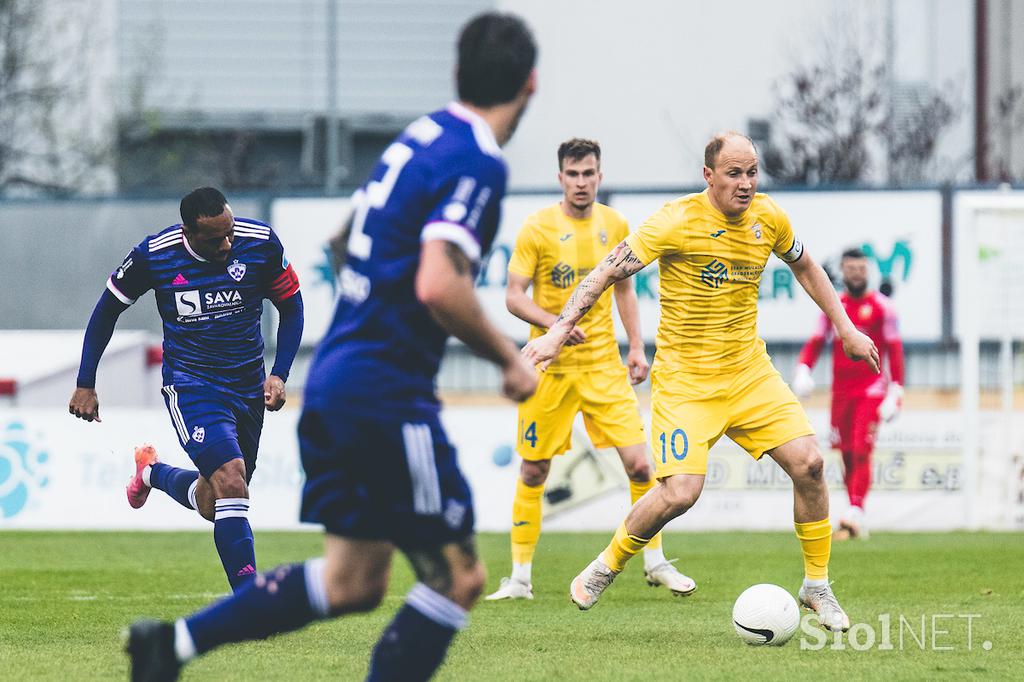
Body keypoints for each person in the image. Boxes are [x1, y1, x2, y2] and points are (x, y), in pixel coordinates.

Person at [124, 12, 538, 681]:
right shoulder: (478, 160)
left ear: (458, 74)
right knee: (460, 578)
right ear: (531, 83)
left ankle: (168, 646)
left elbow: (346, 240)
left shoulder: (422, 136)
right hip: (386, 396)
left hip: (342, 381)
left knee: (354, 582)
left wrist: (373, 308)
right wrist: (510, 360)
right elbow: (439, 282)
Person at [523, 132, 880, 632]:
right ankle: (608, 563)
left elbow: (805, 265)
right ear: (709, 176)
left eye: (752, 172)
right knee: (680, 492)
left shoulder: (769, 218)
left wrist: (845, 328)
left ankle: (816, 585)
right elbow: (605, 272)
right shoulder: (675, 220)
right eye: (734, 173)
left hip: (750, 373)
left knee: (811, 464)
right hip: (686, 382)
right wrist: (558, 332)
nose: (746, 183)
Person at [485, 138, 694, 601]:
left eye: (589, 174)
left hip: (603, 367)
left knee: (642, 464)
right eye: (573, 174)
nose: (582, 182)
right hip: (550, 369)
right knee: (534, 471)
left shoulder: (614, 223)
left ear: (600, 176)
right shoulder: (537, 228)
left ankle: (655, 560)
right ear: (560, 177)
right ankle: (519, 578)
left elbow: (623, 291)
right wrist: (556, 325)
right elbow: (514, 295)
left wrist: (637, 347)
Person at [69, 187, 304, 593]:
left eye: (229, 234)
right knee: (232, 480)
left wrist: (279, 373)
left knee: (217, 502)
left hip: (248, 386)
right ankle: (249, 603)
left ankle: (151, 472)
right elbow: (107, 309)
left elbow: (292, 305)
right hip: (192, 385)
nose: (227, 244)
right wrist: (85, 382)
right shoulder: (154, 256)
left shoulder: (260, 244)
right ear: (188, 233)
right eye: (216, 239)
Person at [791, 247, 905, 540]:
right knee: (845, 454)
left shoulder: (882, 307)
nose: (856, 273)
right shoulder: (835, 306)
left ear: (868, 271)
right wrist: (803, 368)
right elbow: (817, 340)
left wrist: (896, 390)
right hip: (840, 392)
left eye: (861, 268)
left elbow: (894, 348)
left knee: (861, 448)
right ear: (843, 272)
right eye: (851, 269)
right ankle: (856, 513)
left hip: (871, 388)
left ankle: (856, 510)